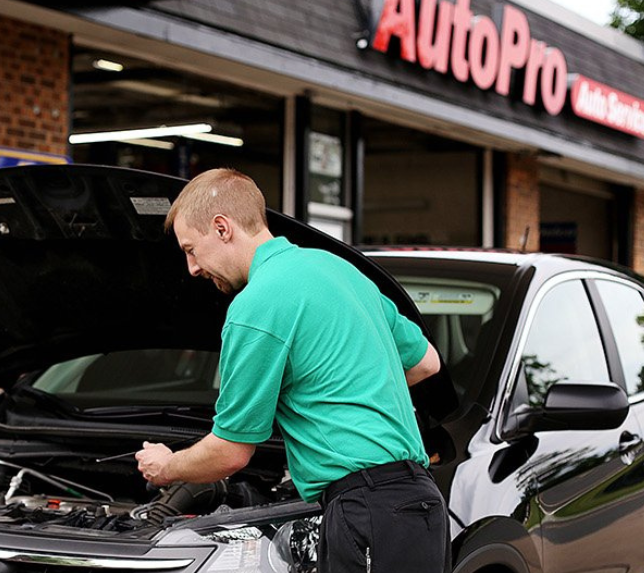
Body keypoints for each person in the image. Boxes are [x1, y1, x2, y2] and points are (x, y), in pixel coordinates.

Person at [135, 168, 449, 573]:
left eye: (191, 249)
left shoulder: (256, 305)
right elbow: (426, 361)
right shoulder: (337, 269)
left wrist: (167, 467)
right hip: (421, 505)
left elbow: (230, 453)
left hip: (366, 511)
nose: (192, 268)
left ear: (222, 228)